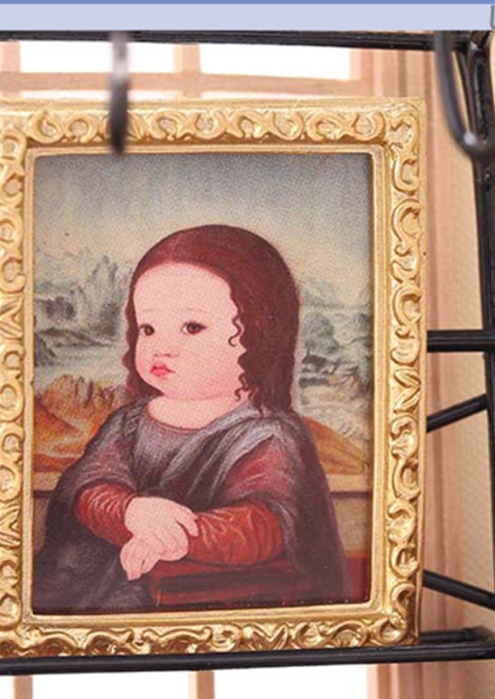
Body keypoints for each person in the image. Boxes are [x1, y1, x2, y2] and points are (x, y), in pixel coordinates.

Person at [32, 224, 350, 614]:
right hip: (100, 603)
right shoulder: (129, 423)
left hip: (207, 610)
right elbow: (88, 487)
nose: (162, 346)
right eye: (148, 328)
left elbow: (265, 523)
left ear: (259, 332)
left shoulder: (267, 435)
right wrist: (131, 512)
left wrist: (177, 536)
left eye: (192, 327)